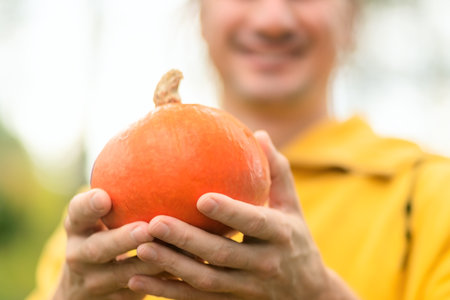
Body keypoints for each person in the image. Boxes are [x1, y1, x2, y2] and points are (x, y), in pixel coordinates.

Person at [28, 0, 450, 299]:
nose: (272, 18)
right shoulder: (100, 223)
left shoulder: (432, 196)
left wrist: (319, 295)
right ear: (200, 13)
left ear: (353, 17)